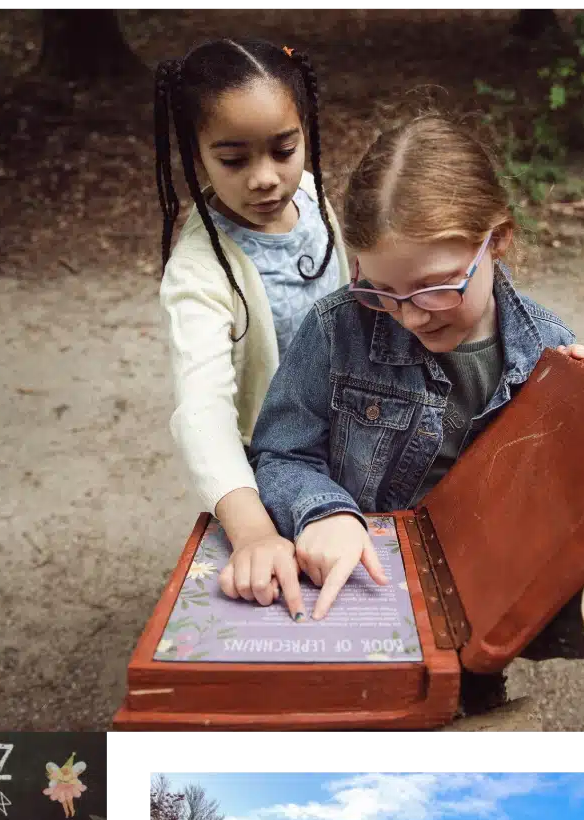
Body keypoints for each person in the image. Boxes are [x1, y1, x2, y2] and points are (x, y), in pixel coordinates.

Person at [251, 113, 584, 620]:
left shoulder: (547, 353)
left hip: (477, 591)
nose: (412, 315)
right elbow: (280, 454)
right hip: (358, 577)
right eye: (382, 291)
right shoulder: (337, 329)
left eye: (437, 287)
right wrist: (324, 513)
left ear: (497, 239)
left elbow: (558, 505)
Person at [156, 37, 351, 619]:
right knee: (294, 600)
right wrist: (251, 531)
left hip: (358, 427)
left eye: (284, 150)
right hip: (269, 459)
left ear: (305, 133)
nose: (266, 178)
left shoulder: (316, 198)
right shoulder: (200, 267)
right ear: (195, 154)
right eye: (234, 159)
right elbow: (202, 408)